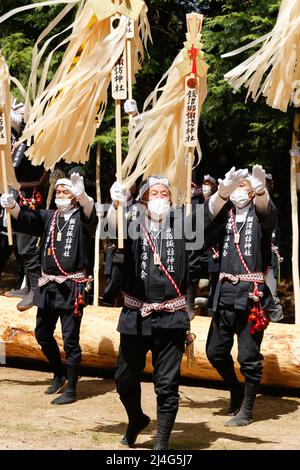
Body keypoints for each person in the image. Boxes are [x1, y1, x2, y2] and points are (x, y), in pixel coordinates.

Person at [107, 170, 245, 449]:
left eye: (164, 194)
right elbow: (111, 225)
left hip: (171, 317)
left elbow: (208, 213)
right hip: (136, 315)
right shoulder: (132, 221)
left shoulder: (182, 222)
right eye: (154, 194)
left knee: (167, 384)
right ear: (143, 200)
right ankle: (136, 419)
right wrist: (115, 204)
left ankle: (161, 442)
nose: (160, 199)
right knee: (124, 378)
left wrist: (222, 194)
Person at [1, 174, 97, 405]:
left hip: (72, 287)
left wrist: (83, 197)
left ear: (75, 196)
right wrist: (12, 206)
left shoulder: (82, 218)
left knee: (70, 340)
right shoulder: (49, 216)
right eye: (59, 193)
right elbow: (27, 220)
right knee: (42, 333)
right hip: (48, 285)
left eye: (66, 192)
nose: (61, 196)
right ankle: (58, 373)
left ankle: (72, 388)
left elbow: (90, 213)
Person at [206, 165, 277, 427]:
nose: (239, 191)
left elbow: (267, 212)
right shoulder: (225, 217)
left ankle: (246, 410)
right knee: (214, 352)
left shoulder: (261, 218)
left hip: (251, 296)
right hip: (224, 293)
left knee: (248, 356)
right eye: (237, 186)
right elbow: (203, 221)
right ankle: (234, 389)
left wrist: (260, 192)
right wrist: (221, 193)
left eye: (244, 186)